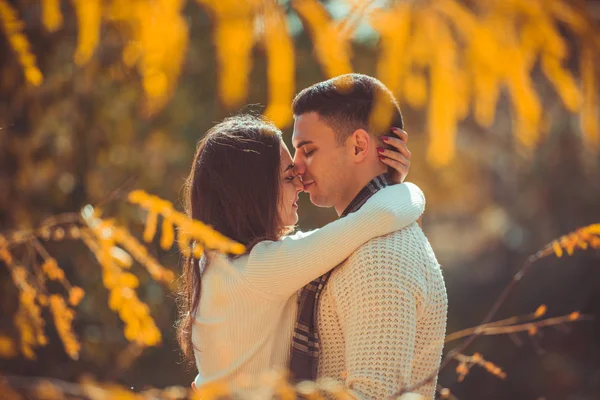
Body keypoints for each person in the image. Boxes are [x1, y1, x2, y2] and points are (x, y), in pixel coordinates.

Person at [176, 113, 424, 390]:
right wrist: (398, 186)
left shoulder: (214, 261)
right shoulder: (263, 268)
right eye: (287, 177)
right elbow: (381, 215)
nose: (301, 185)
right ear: (253, 189)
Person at [290, 73, 447, 399]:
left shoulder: (380, 255)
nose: (296, 167)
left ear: (359, 145)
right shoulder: (359, 240)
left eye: (308, 150)